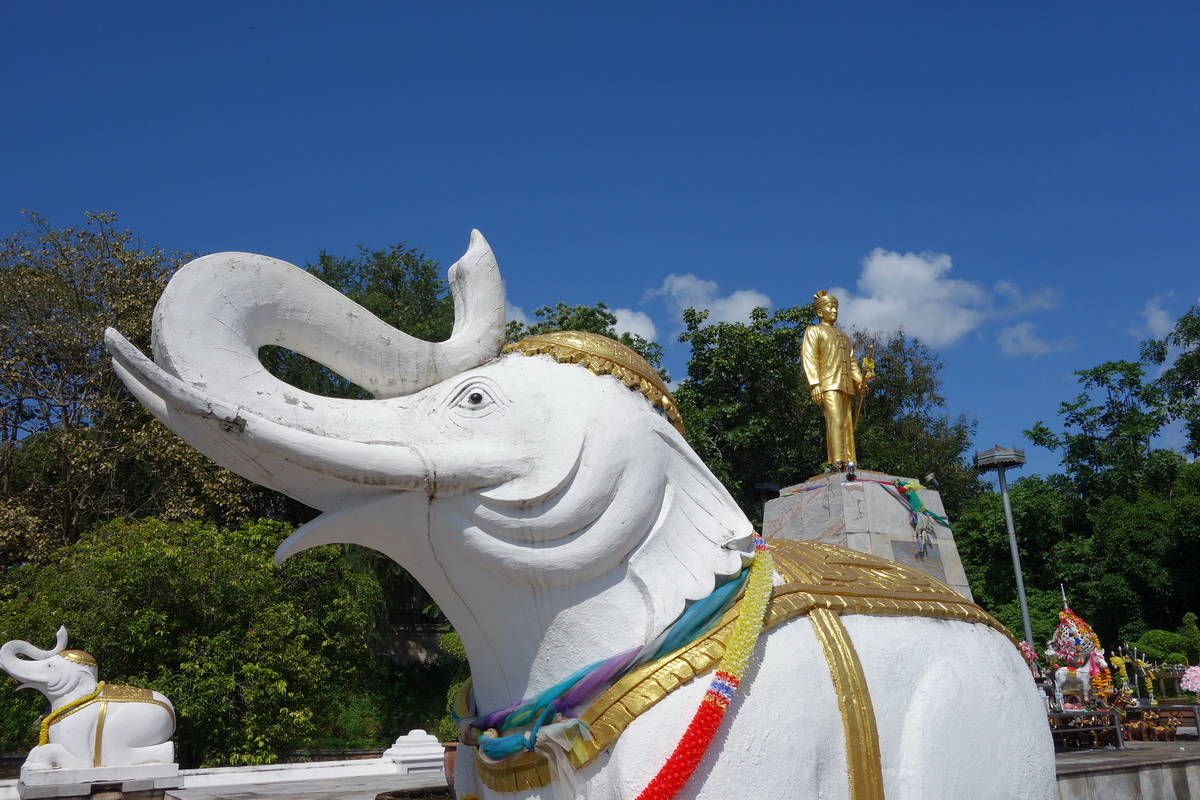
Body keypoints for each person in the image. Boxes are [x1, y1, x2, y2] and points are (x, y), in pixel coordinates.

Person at [801, 290, 864, 471]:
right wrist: (814, 384)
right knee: (835, 421)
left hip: (846, 386)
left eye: (836, 308)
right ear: (820, 312)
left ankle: (851, 462)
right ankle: (837, 462)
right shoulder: (814, 331)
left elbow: (852, 363)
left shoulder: (844, 337)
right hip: (828, 385)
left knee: (847, 425)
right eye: (830, 307)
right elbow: (809, 358)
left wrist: (859, 382)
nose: (834, 311)